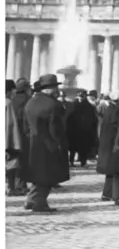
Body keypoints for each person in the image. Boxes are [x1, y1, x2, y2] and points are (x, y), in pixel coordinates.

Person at [22, 74, 70, 212]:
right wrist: (60, 144)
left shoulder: (30, 102)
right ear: (50, 88)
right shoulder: (52, 104)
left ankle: (31, 200)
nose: (57, 90)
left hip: (32, 142)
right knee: (47, 176)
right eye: (55, 87)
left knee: (37, 175)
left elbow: (25, 124)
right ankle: (39, 204)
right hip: (48, 145)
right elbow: (56, 129)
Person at [96, 88, 119, 201]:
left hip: (108, 143)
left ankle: (110, 192)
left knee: (111, 170)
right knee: (112, 169)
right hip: (111, 143)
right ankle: (109, 193)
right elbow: (116, 126)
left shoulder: (111, 108)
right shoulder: (115, 110)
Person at [66, 90, 99, 167]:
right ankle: (72, 160)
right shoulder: (74, 105)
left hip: (84, 130)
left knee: (83, 147)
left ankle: (82, 161)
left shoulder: (88, 106)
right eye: (79, 96)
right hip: (75, 130)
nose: (81, 98)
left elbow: (93, 119)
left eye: (82, 96)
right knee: (73, 148)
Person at [6, 80, 24, 196]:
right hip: (7, 140)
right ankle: (10, 187)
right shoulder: (7, 103)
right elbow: (10, 124)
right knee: (12, 165)